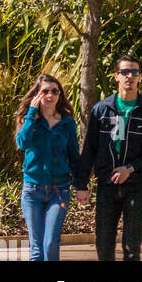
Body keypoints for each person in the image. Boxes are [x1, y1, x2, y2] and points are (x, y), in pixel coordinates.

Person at [76, 54, 142, 263]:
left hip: (135, 184)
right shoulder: (102, 109)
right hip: (107, 184)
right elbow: (89, 148)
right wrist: (81, 184)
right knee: (104, 242)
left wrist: (130, 169)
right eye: (125, 72)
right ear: (116, 76)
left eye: (135, 72)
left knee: (132, 246)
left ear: (140, 77)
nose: (130, 76)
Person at [15, 74, 85, 261]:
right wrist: (31, 114)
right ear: (37, 94)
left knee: (51, 243)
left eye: (55, 91)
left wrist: (80, 186)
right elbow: (22, 143)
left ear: (60, 95)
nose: (50, 94)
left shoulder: (67, 122)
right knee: (37, 246)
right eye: (45, 91)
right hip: (32, 191)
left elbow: (74, 156)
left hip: (59, 191)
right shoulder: (28, 119)